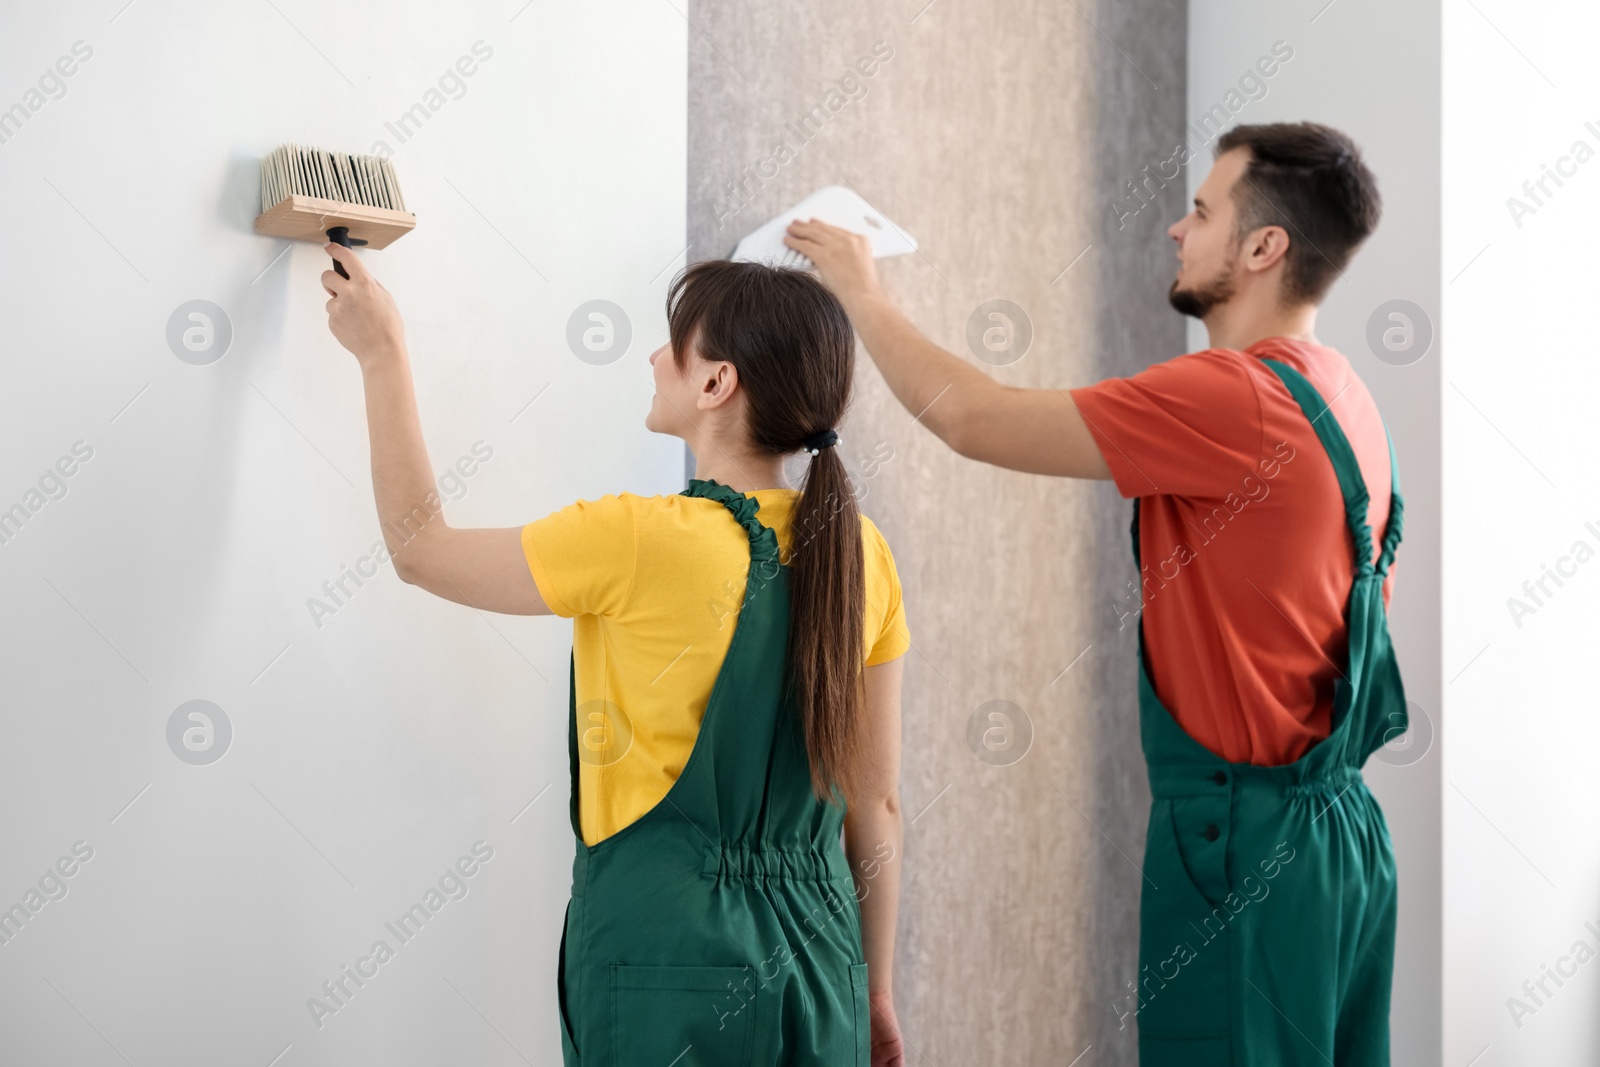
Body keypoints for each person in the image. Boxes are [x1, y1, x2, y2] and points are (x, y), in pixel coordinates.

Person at [785, 120, 1406, 1066]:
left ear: (1264, 248)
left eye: (1201, 211)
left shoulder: (1233, 397)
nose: (1176, 229)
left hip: (1247, 844)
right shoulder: (1344, 392)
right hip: (1346, 844)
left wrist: (862, 292)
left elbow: (978, 421)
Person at [320, 252, 909, 1066]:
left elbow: (421, 549)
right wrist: (874, 989)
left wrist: (381, 353)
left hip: (666, 953)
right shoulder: (862, 553)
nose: (654, 358)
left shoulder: (639, 538)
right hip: (823, 959)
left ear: (716, 384)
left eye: (676, 344)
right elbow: (874, 804)